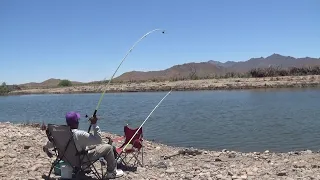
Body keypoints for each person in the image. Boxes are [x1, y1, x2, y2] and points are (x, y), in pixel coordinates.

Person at [43, 111, 124, 179]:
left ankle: (85, 168)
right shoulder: (80, 134)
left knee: (87, 146)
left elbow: (49, 145)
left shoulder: (61, 135)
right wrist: (95, 124)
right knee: (109, 147)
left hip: (68, 159)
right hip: (81, 159)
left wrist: (46, 149)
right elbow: (98, 140)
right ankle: (111, 172)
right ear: (77, 122)